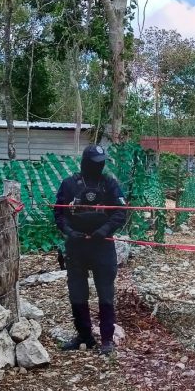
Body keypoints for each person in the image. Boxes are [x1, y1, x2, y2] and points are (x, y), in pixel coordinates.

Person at [53, 144, 127, 355]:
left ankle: (107, 339)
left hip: (102, 245)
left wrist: (104, 230)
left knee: (105, 293)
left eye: (101, 163)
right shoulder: (69, 184)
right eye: (95, 163)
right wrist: (69, 231)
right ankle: (84, 335)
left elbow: (121, 212)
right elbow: (59, 213)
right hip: (77, 246)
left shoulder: (109, 184)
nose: (99, 166)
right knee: (77, 292)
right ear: (85, 163)